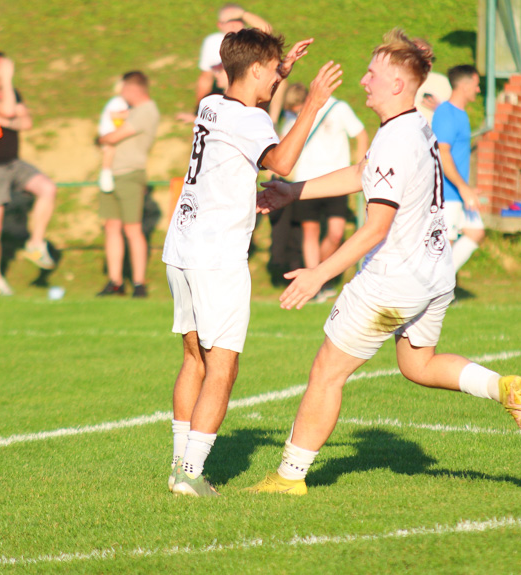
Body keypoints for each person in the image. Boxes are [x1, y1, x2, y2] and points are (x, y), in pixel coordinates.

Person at [248, 29, 521, 496]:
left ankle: (289, 478)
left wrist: (319, 273)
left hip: (393, 281)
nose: (363, 80)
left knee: (327, 372)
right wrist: (293, 191)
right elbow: (362, 173)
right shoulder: (414, 126)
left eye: (373, 73)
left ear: (399, 86)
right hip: (434, 274)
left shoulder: (395, 139)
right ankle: (500, 386)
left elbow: (376, 227)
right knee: (417, 364)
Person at [162, 28, 342, 497]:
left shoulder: (211, 104)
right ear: (257, 68)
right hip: (216, 255)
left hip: (180, 246)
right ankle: (190, 473)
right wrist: (313, 102)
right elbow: (280, 161)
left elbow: (253, 103)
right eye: (273, 68)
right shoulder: (249, 119)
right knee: (223, 365)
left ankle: (179, 464)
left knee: (193, 358)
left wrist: (281, 71)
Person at [0, 51, 58, 296]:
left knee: (47, 188)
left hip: (13, 162)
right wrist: (7, 95)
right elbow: (9, 111)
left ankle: (35, 243)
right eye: (3, 67)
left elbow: (25, 122)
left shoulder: (12, 92)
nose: (10, 69)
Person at [281, 83, 368, 301]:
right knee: (310, 232)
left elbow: (360, 134)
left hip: (337, 180)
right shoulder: (292, 115)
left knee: (335, 233)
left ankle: (316, 274)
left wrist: (360, 168)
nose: (294, 112)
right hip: (305, 181)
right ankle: (315, 288)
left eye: (296, 107)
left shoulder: (338, 108)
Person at [96, 71, 160, 298]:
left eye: (124, 90)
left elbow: (115, 136)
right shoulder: (134, 111)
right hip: (113, 172)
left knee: (132, 228)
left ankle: (139, 283)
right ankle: (115, 281)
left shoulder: (146, 110)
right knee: (111, 226)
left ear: (134, 89)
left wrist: (101, 138)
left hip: (130, 172)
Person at [433, 65, 486, 275]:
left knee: (475, 231)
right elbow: (442, 153)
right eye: (476, 84)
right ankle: (434, 290)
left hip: (458, 191)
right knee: (444, 245)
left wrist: (467, 189)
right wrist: (463, 188)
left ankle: (441, 283)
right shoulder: (446, 113)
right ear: (465, 85)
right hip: (447, 193)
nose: (478, 90)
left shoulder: (459, 114)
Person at [195, 4, 272, 106]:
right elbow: (206, 77)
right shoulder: (212, 41)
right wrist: (199, 108)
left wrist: (243, 14)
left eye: (237, 20)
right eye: (228, 22)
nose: (233, 25)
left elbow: (266, 31)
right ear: (220, 25)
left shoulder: (249, 40)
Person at [96, 84, 129, 193]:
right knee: (110, 150)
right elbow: (115, 116)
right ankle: (105, 174)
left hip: (117, 132)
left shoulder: (125, 103)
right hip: (109, 132)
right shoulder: (117, 101)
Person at [412, 38, 452, 126]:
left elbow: (454, 117)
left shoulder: (441, 82)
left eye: (431, 59)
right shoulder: (397, 82)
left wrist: (439, 109)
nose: (428, 62)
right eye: (423, 58)